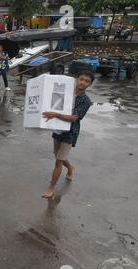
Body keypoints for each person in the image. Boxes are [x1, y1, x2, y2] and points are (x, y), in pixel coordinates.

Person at [41, 70, 94, 198]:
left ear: (90, 84)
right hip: (58, 129)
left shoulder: (86, 101)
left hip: (70, 132)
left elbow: (74, 118)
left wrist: (56, 114)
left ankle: (51, 188)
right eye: (81, 79)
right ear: (77, 78)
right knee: (57, 156)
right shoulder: (66, 90)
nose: (83, 82)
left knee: (58, 162)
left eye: (87, 81)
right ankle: (70, 167)